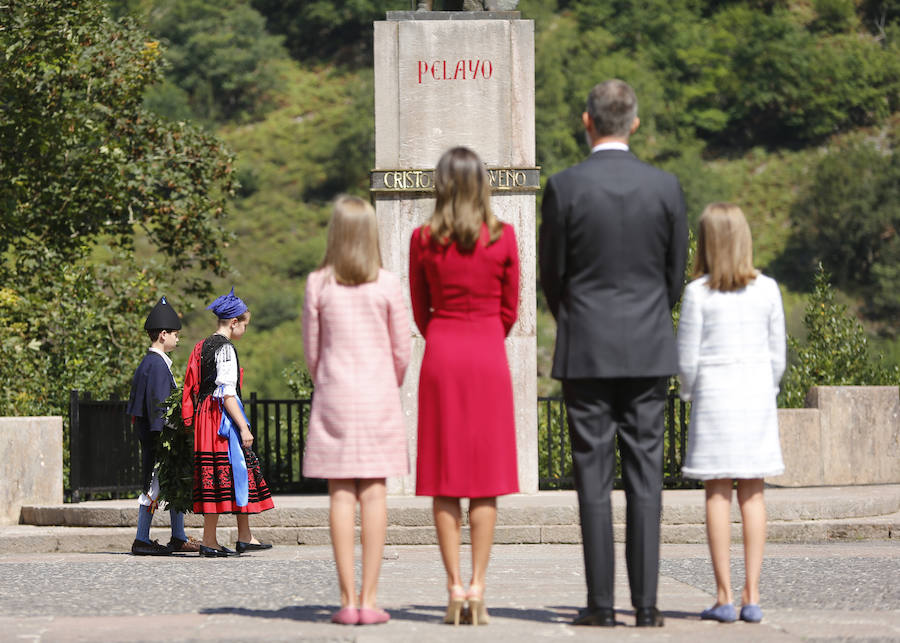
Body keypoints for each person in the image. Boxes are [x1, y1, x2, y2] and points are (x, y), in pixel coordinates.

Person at [539, 79, 688, 628]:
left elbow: (551, 276)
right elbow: (674, 278)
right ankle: (647, 608)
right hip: (649, 350)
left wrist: (576, 319)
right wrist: (649, 317)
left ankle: (601, 605)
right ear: (636, 124)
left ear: (587, 121)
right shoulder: (666, 188)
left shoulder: (565, 187)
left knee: (593, 482)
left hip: (587, 350)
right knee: (648, 482)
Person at [409, 146, 520, 627]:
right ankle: (478, 585)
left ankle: (453, 587)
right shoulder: (505, 237)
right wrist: (488, 334)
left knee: (445, 478)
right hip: (488, 355)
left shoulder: (421, 240)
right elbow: (511, 308)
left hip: (443, 353)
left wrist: (444, 332)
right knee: (485, 481)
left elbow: (419, 308)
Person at [302, 195, 412, 626]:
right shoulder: (387, 283)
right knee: (374, 493)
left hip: (334, 395)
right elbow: (401, 350)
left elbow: (313, 352)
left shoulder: (318, 284)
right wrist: (386, 380)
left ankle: (347, 600)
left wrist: (328, 380)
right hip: (378, 394)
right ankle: (369, 598)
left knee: (341, 495)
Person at [677, 203, 786, 624]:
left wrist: (689, 394)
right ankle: (752, 594)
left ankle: (723, 595)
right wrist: (767, 389)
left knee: (717, 493)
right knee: (753, 493)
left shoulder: (697, 293)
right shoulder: (768, 289)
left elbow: (686, 360)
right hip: (756, 396)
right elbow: (778, 354)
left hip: (715, 399)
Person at [181, 288, 274, 557]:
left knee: (232, 472)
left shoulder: (201, 345)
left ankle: (244, 535)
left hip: (205, 416)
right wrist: (243, 426)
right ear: (234, 322)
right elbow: (227, 392)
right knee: (226, 472)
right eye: (245, 324)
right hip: (220, 419)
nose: (245, 329)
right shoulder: (226, 349)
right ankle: (210, 540)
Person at [126, 296, 200, 555]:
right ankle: (141, 539)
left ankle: (178, 536)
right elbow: (159, 407)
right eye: (175, 334)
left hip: (160, 435)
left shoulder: (152, 363)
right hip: (159, 437)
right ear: (163, 335)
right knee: (154, 484)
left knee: (172, 481)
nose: (177, 339)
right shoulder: (156, 365)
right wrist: (173, 432)